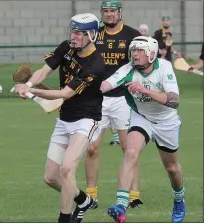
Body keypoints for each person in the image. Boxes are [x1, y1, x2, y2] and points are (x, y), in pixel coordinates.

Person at [14, 13, 106, 223]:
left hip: (86, 120)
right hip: (65, 119)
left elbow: (65, 93)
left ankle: (65, 219)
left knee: (66, 170)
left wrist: (32, 93)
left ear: (92, 35)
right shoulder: (66, 47)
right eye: (72, 31)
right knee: (51, 177)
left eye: (79, 33)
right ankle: (83, 200)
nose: (73, 37)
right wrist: (28, 85)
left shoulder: (95, 65)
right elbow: (44, 71)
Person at [101, 36, 186, 223]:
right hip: (142, 118)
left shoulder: (163, 67)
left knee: (172, 168)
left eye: (140, 50)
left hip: (166, 121)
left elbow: (173, 100)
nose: (135, 54)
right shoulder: (127, 69)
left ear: (151, 53)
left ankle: (179, 199)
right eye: (133, 50)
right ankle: (121, 206)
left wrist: (144, 90)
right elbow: (104, 86)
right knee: (130, 152)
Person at [81, 0, 143, 213]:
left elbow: (142, 62)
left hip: (123, 99)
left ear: (120, 13)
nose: (108, 15)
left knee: (129, 149)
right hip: (98, 99)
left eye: (112, 11)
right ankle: (91, 195)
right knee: (91, 148)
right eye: (105, 11)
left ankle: (134, 195)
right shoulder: (94, 35)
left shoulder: (133, 36)